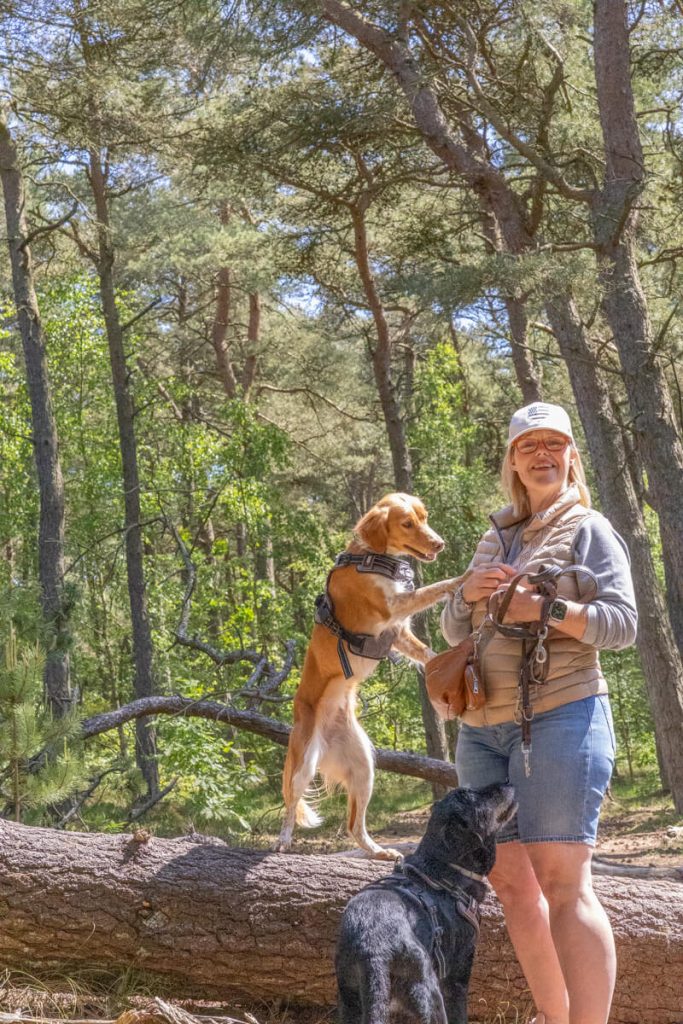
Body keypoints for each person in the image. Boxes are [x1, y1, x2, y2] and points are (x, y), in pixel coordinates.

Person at [440, 402, 637, 1024]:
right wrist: (462, 595)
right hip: (480, 732)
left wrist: (546, 612)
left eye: (555, 444)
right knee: (512, 886)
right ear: (513, 462)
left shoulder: (589, 529)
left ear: (572, 456)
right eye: (529, 446)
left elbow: (624, 624)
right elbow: (452, 631)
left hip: (562, 718)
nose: (543, 454)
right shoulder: (494, 535)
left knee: (564, 884)